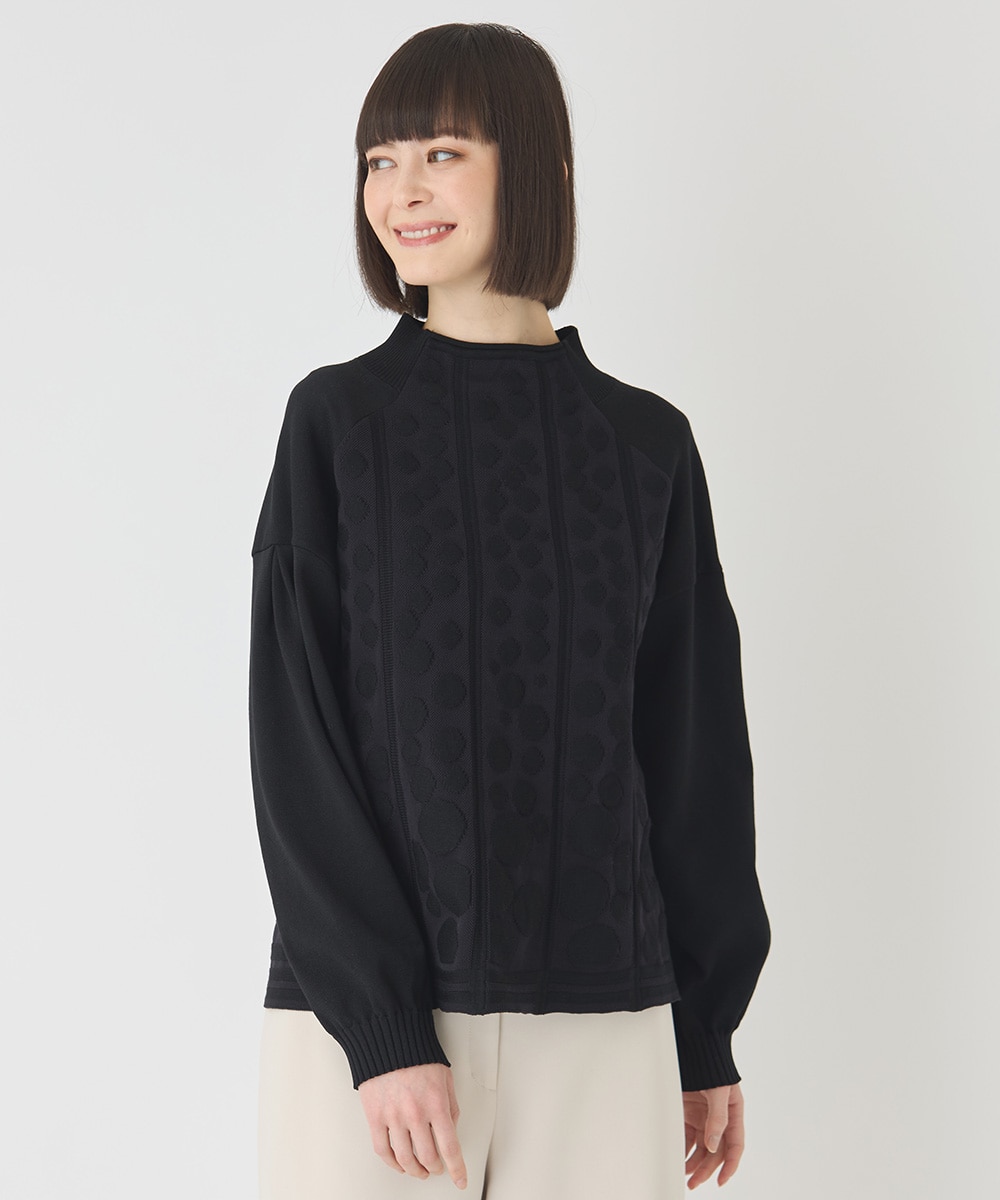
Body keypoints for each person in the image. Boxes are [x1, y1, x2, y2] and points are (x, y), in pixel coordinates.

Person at [249, 21, 770, 1199]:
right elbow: (298, 743)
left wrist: (702, 1029)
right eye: (379, 160)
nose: (401, 190)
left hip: (607, 1023)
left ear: (537, 166)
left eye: (441, 152)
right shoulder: (337, 424)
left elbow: (691, 752)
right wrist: (382, 1029)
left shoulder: (646, 445)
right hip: (363, 1034)